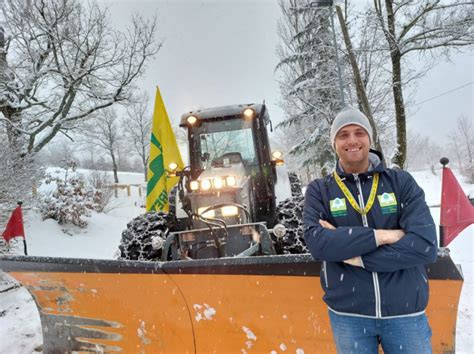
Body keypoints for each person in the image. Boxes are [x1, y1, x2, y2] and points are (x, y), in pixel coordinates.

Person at [303, 107, 437, 353]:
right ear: (334, 143)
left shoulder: (400, 182)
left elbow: (426, 246)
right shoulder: (319, 190)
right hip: (348, 316)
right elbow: (317, 243)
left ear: (370, 139)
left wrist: (358, 258)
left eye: (359, 133)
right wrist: (382, 236)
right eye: (343, 135)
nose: (352, 140)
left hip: (405, 313)